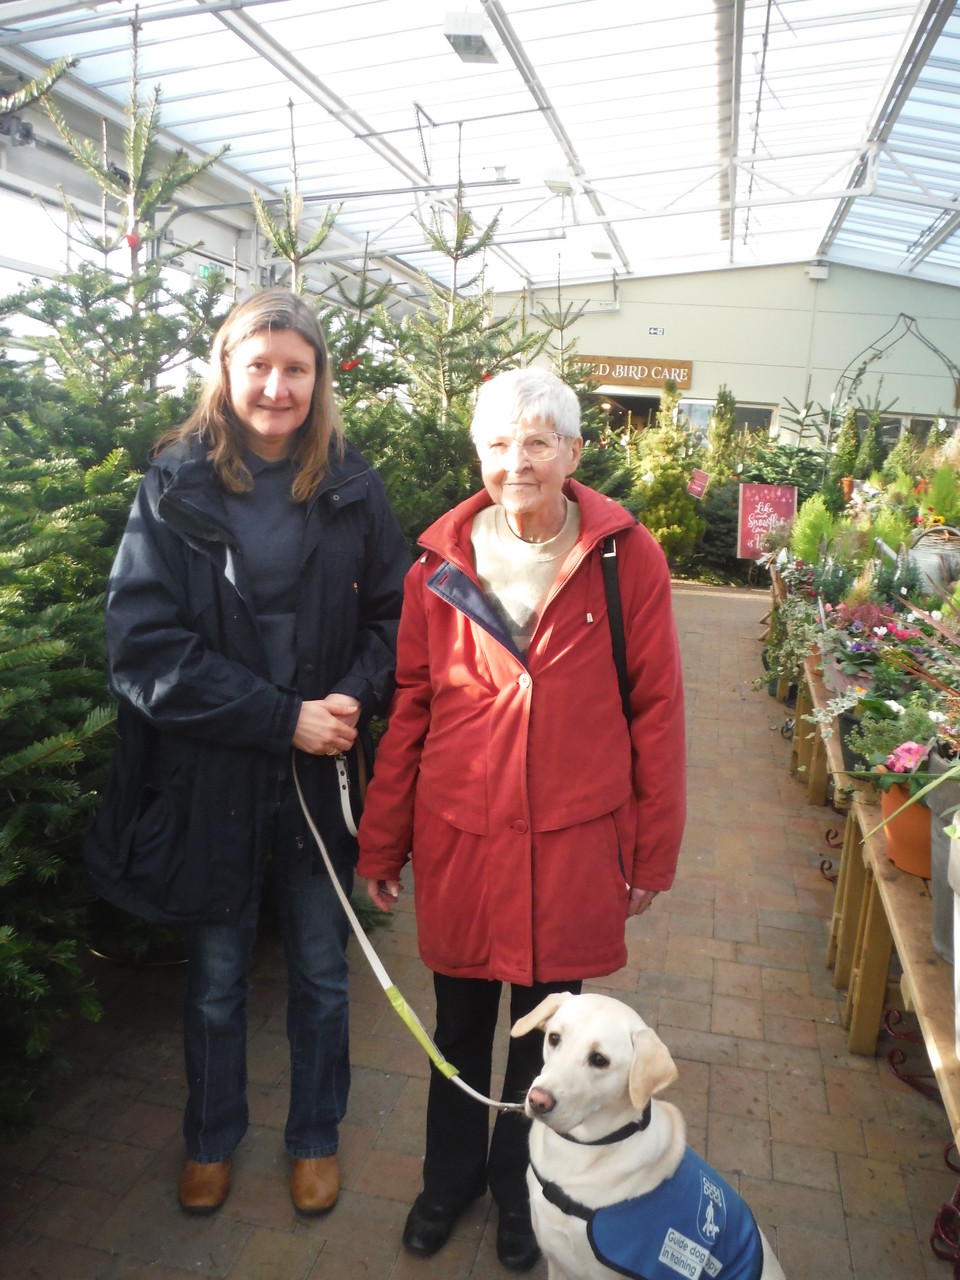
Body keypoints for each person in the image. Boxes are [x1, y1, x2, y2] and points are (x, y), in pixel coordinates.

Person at [84, 289, 411, 1218]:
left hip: (320, 773)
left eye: (295, 368)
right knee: (219, 975)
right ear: (226, 372)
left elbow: (396, 616)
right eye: (257, 365)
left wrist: (356, 691)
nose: (275, 386)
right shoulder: (175, 484)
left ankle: (314, 1136)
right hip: (215, 773)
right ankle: (211, 1138)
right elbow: (143, 649)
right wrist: (280, 718)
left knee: (318, 968)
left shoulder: (352, 485)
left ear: (320, 378)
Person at [356, 366, 686, 1271]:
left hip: (577, 847)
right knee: (460, 1027)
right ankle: (448, 1177)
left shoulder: (626, 558)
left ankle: (520, 1192)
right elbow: (412, 706)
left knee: (554, 1044)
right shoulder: (439, 563)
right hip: (463, 840)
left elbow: (656, 708)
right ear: (478, 453)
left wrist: (652, 854)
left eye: (538, 442)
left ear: (575, 453)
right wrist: (382, 839)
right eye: (499, 444)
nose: (518, 462)